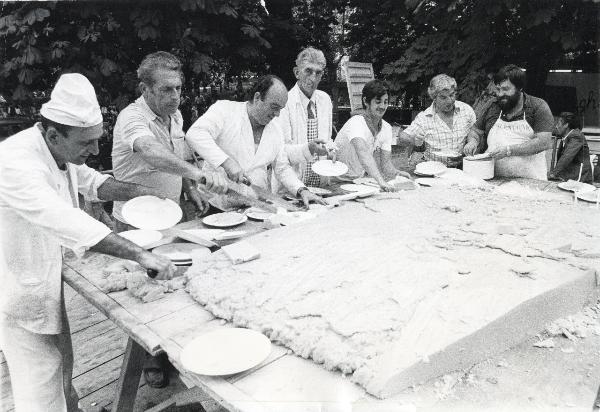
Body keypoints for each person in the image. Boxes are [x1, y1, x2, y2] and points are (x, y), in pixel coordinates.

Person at [0, 73, 175, 412]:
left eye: (97, 140)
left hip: (45, 277)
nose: (95, 150)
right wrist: (141, 255)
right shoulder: (15, 162)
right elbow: (65, 219)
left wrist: (144, 192)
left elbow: (95, 183)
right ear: (53, 134)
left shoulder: (56, 151)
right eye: (87, 144)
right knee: (39, 381)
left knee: (61, 363)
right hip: (19, 288)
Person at [112, 51, 227, 232]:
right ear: (144, 89)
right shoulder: (131, 116)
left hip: (171, 213)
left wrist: (190, 188)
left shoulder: (175, 115)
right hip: (136, 220)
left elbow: (174, 158)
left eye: (178, 88)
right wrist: (198, 175)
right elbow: (150, 150)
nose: (175, 96)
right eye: (166, 89)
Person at [186, 75, 325, 207]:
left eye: (280, 109)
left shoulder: (275, 129)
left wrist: (302, 190)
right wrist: (226, 163)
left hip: (255, 206)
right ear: (257, 97)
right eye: (274, 107)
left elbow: (281, 168)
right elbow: (195, 134)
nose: (277, 114)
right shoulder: (225, 110)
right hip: (216, 204)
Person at [464, 64, 554, 180]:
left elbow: (544, 142)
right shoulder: (492, 106)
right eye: (498, 89)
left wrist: (509, 150)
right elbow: (475, 131)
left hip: (530, 181)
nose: (500, 94)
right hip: (494, 178)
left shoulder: (538, 106)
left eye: (506, 89)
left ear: (520, 88)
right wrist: (472, 142)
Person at [274, 47, 335, 189]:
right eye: (308, 71)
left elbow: (328, 138)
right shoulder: (285, 102)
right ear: (297, 72)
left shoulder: (325, 100)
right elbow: (281, 152)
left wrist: (330, 151)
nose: (313, 78)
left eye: (318, 73)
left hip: (321, 185)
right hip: (291, 186)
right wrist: (309, 148)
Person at [334, 79, 411, 191]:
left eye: (385, 102)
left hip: (357, 182)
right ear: (366, 101)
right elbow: (363, 153)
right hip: (335, 182)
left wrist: (397, 173)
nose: (383, 106)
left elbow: (386, 165)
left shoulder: (386, 128)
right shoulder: (356, 122)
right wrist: (380, 181)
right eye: (378, 101)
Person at [397, 74, 476, 167]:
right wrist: (416, 141)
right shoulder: (424, 118)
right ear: (434, 97)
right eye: (443, 97)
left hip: (463, 167)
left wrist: (472, 142)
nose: (449, 101)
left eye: (452, 95)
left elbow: (475, 132)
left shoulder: (466, 110)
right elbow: (402, 137)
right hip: (434, 170)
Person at [548, 112, 593, 183]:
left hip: (580, 178)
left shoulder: (576, 136)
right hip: (570, 176)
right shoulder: (567, 135)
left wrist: (553, 173)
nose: (556, 126)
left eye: (558, 124)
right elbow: (552, 131)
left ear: (566, 125)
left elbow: (567, 156)